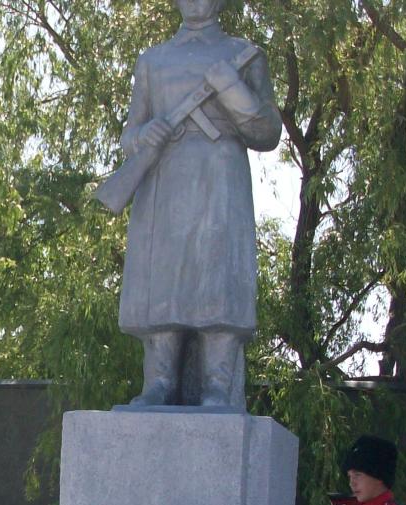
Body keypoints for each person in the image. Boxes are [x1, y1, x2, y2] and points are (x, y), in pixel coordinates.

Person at [115, 0, 281, 407]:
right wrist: (144, 135)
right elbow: (129, 133)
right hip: (164, 177)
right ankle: (158, 383)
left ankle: (217, 386)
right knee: (163, 280)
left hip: (219, 176)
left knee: (217, 278)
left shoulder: (244, 55)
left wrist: (231, 88)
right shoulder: (153, 60)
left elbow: (267, 132)